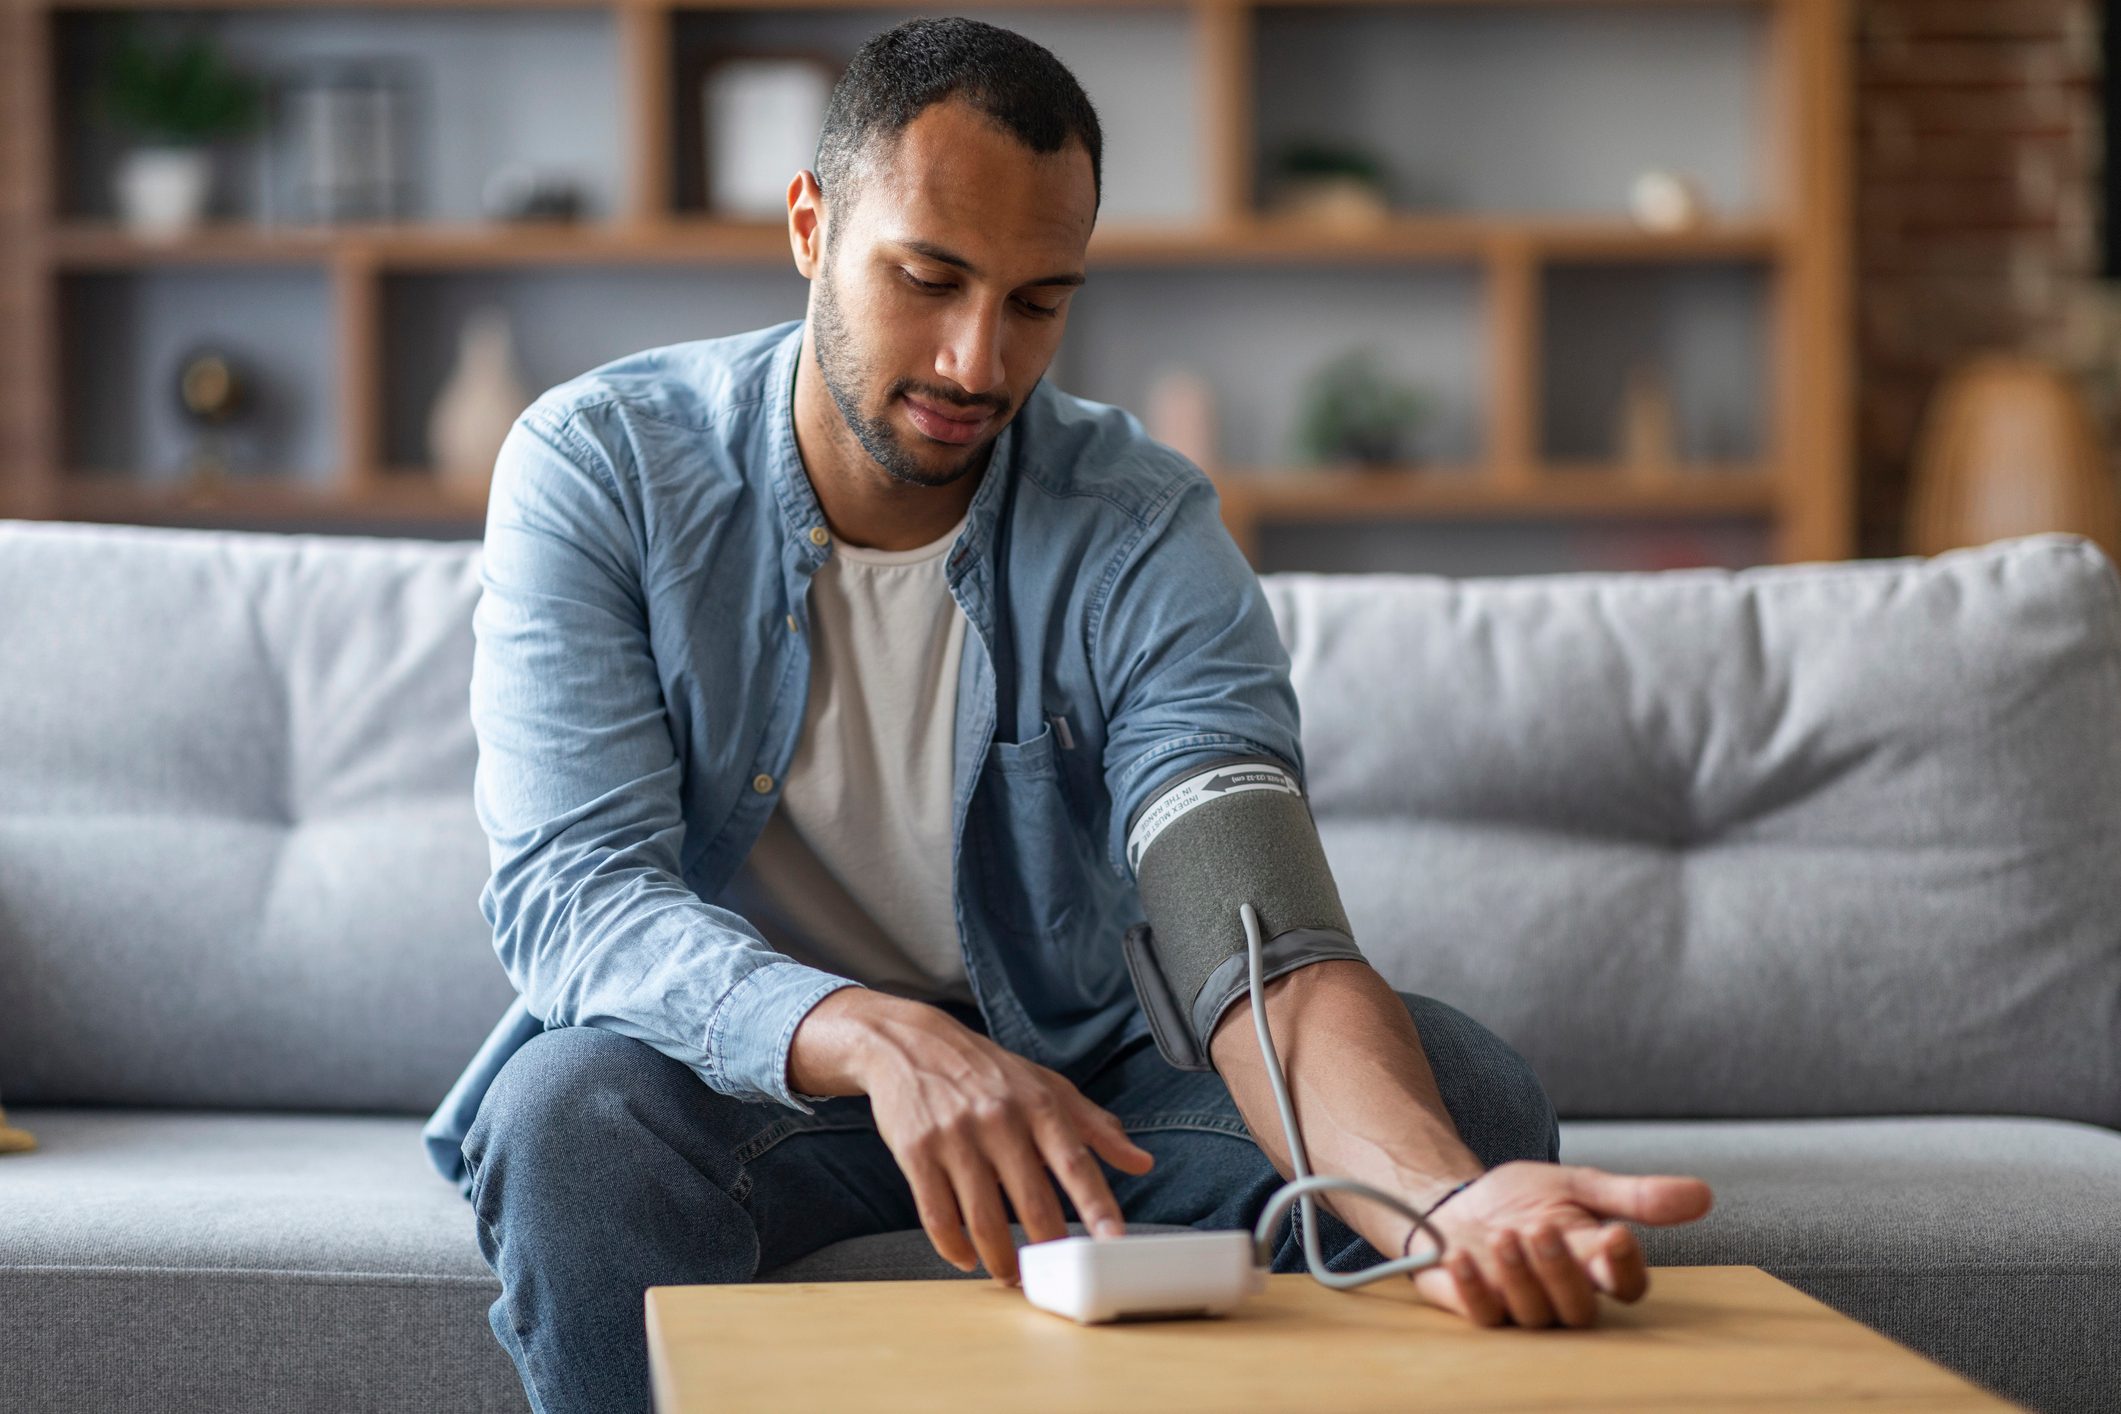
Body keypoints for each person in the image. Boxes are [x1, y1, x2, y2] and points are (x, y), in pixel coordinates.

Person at [424, 16, 1716, 1411]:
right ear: (809, 227)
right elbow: (575, 893)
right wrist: (879, 1036)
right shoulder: (599, 467)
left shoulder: (1139, 527)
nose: (978, 361)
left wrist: (1430, 1197)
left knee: (1461, 1096)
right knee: (567, 1118)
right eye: (927, 279)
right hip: (747, 1085)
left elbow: (1253, 934)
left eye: (1038, 301)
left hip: (1074, 1086)